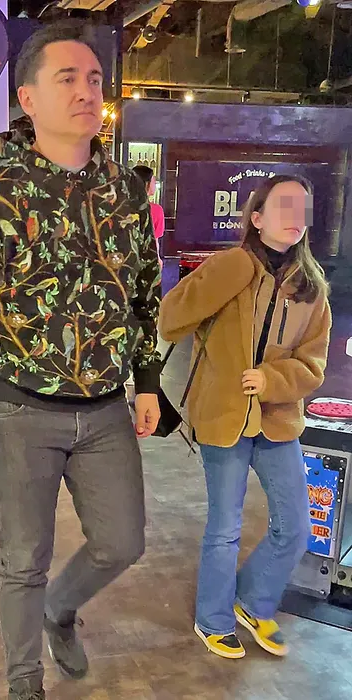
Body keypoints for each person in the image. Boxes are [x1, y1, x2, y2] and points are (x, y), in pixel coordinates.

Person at [0, 20, 161, 700]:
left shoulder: (124, 191)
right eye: (67, 78)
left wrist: (147, 381)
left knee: (123, 543)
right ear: (27, 97)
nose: (87, 91)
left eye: (94, 80)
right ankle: (24, 683)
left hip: (105, 411)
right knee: (23, 559)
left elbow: (144, 293)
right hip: (18, 409)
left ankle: (61, 609)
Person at [159, 175, 331, 660]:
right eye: (283, 206)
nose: (294, 217)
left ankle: (253, 602)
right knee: (225, 528)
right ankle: (212, 619)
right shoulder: (230, 266)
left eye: (302, 208)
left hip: (278, 419)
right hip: (223, 416)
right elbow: (170, 319)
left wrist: (272, 379)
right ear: (257, 218)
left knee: (295, 526)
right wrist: (229, 272)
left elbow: (313, 364)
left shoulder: (312, 288)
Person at [132, 165, 164, 262]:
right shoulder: (156, 210)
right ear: (147, 184)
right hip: (145, 260)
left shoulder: (120, 207)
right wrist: (158, 260)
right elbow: (155, 241)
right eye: (154, 181)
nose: (155, 184)